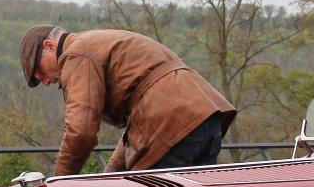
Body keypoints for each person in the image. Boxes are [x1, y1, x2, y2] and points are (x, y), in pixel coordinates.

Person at [19, 25, 236, 176]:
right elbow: (139, 120)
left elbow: (80, 131)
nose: (45, 82)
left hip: (170, 124)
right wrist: (109, 175)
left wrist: (58, 184)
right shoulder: (94, 42)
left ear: (49, 45)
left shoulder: (76, 53)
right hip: (205, 115)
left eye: (39, 71)